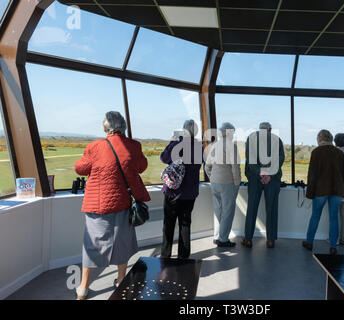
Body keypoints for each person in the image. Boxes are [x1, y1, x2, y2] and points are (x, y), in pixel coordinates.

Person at [74, 111, 150, 300]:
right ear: (123, 127)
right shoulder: (133, 145)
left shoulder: (95, 147)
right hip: (124, 204)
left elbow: (80, 168)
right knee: (122, 242)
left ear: (106, 128)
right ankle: (121, 279)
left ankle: (83, 287)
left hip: (97, 205)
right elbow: (141, 166)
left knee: (92, 245)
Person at [160, 120, 203, 259]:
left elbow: (164, 158)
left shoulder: (177, 144)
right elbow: (197, 166)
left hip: (173, 192)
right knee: (185, 225)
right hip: (190, 193)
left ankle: (165, 257)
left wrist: (172, 141)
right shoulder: (198, 147)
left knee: (169, 224)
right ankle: (183, 258)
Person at [302, 129, 344, 255]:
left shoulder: (316, 152)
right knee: (334, 218)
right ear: (330, 139)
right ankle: (333, 247)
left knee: (315, 216)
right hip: (337, 190)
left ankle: (309, 242)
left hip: (320, 190)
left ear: (319, 138)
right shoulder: (339, 153)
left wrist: (309, 193)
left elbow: (312, 175)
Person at [241, 122, 285, 249]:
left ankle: (248, 239)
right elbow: (280, 159)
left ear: (260, 129)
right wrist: (268, 174)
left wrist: (260, 173)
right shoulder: (277, 139)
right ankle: (270, 240)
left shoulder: (251, 138)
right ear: (270, 129)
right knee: (272, 209)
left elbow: (250, 159)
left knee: (251, 207)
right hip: (273, 178)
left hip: (255, 177)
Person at [205, 122, 241, 247]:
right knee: (227, 212)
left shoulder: (214, 146)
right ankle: (223, 239)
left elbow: (207, 166)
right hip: (227, 183)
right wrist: (237, 183)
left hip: (214, 182)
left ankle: (216, 237)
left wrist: (212, 177)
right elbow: (235, 168)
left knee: (218, 211)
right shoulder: (232, 146)